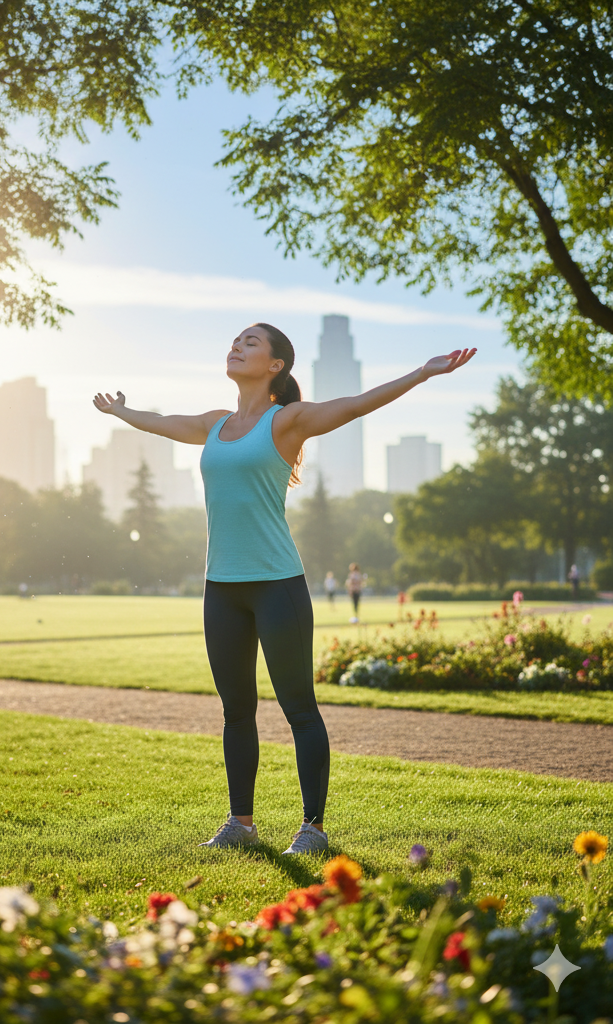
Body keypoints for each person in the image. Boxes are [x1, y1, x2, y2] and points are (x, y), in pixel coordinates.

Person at [93, 324, 474, 854]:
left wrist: (422, 373)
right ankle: (241, 824)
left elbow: (356, 405)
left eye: (251, 342)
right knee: (235, 710)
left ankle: (313, 829)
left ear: (276, 365)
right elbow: (164, 423)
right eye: (235, 339)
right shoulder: (214, 424)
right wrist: (121, 412)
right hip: (221, 589)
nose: (237, 346)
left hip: (277, 586)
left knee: (299, 709)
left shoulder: (287, 421)